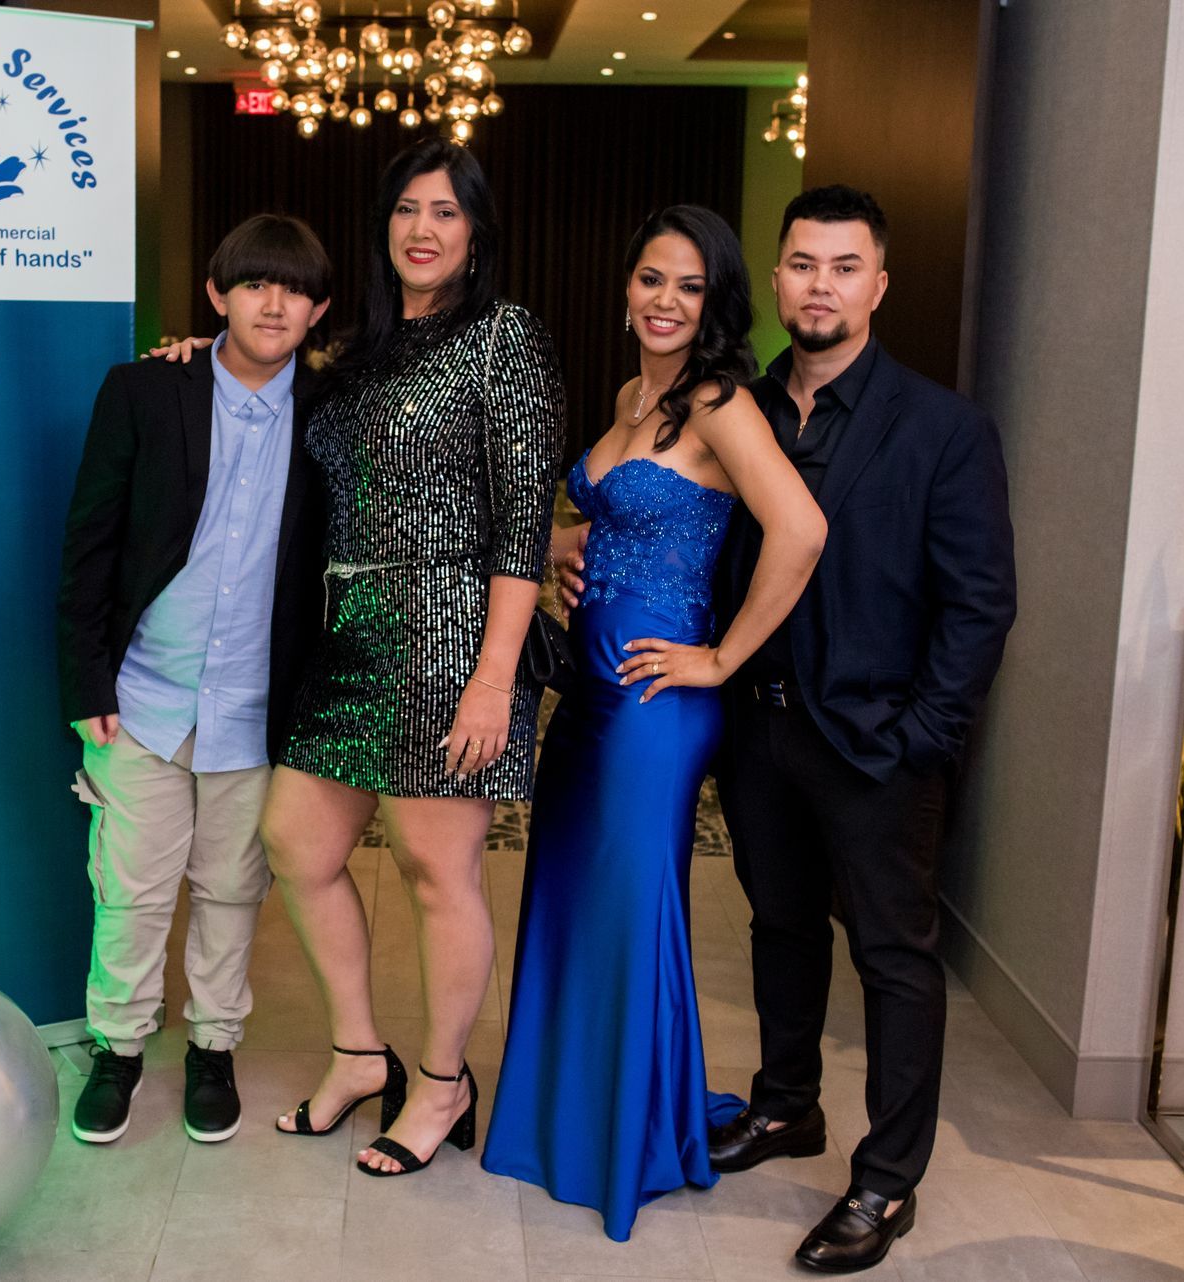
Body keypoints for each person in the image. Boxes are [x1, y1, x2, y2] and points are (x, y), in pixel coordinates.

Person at [482, 206, 827, 1239]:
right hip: (587, 698)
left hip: (655, 703)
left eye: (686, 285)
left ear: (714, 300)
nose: (663, 300)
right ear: (626, 287)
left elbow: (801, 529)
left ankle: (625, 1137)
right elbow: (607, 509)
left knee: (632, 911)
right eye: (649, 279)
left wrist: (721, 656)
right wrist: (559, 545)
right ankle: (569, 1111)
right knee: (569, 893)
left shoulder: (720, 401)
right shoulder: (637, 393)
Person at [704, 185, 1015, 1273]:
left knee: (893, 956)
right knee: (779, 929)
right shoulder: (735, 406)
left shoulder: (943, 428)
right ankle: (789, 1106)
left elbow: (980, 603)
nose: (819, 285)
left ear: (878, 284)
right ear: (776, 276)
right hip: (758, 731)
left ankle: (887, 1181)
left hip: (879, 744)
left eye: (843, 266)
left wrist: (923, 734)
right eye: (801, 264)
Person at [260, 138, 562, 1179]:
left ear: (476, 233)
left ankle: (441, 1082)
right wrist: (193, 357)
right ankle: (357, 1052)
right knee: (297, 843)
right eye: (406, 210)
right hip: (347, 632)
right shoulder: (356, 350)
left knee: (439, 871)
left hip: (448, 631)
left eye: (445, 211)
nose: (422, 229)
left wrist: (494, 679)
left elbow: (524, 525)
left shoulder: (504, 338)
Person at [54, 214, 332, 1146]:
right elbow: (89, 544)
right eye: (254, 283)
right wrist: (84, 678)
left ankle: (214, 1046)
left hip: (259, 710)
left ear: (318, 310)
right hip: (143, 699)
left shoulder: (333, 412)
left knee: (229, 889)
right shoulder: (145, 389)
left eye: (293, 289)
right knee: (131, 890)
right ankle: (119, 1047)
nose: (273, 301)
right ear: (218, 295)